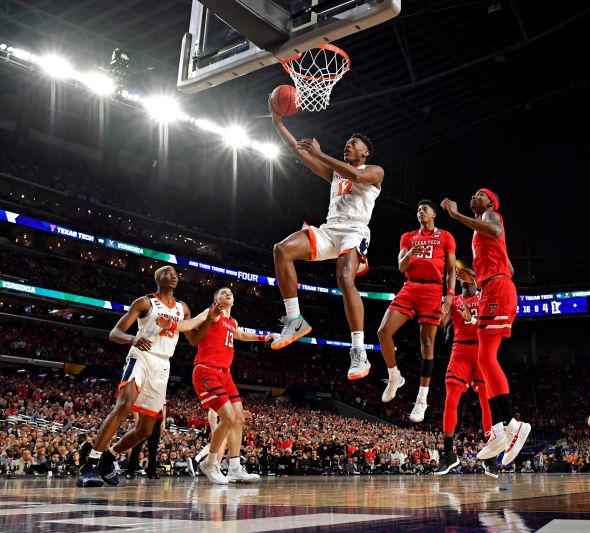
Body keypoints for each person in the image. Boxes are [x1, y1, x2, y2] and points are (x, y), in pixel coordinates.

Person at [270, 99, 384, 380]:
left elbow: (355, 174)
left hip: (355, 231)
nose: (348, 145)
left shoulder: (375, 171)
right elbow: (296, 151)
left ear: (365, 151)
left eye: (353, 143)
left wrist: (321, 154)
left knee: (345, 278)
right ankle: (295, 319)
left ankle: (359, 352)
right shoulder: (335, 173)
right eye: (347, 142)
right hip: (330, 229)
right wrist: (278, 123)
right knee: (281, 250)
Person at [76, 266, 215, 487]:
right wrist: (133, 339)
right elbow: (114, 333)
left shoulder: (183, 308)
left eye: (176, 274)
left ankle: (109, 457)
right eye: (168, 273)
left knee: (146, 429)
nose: (174, 276)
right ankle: (90, 465)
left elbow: (194, 340)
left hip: (162, 365)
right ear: (158, 278)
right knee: (123, 405)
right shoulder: (145, 303)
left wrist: (210, 318)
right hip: (141, 356)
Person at [440, 189, 531, 467]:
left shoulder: (491, 216)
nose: (473, 196)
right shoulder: (484, 230)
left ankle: (513, 426)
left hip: (497, 288)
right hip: (495, 286)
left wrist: (456, 215)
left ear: (491, 203)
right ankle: (502, 429)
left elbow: (493, 229)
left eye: (480, 194)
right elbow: (511, 268)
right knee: (485, 357)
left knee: (487, 358)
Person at [168, 287, 274, 484]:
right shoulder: (212, 313)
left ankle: (234, 468)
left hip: (225, 375)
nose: (228, 294)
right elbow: (191, 324)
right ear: (215, 299)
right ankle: (210, 463)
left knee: (238, 419)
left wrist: (263, 338)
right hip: (207, 371)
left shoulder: (232, 322)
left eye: (230, 293)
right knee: (228, 417)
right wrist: (172, 324)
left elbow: (241, 335)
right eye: (223, 292)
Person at [378, 200, 456, 422]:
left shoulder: (446, 237)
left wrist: (449, 296)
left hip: (432, 289)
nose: (420, 212)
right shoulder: (408, 236)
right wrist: (411, 252)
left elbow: (451, 269)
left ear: (434, 214)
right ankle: (394, 377)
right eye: (418, 209)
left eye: (425, 209)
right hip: (410, 286)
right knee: (383, 332)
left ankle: (422, 399)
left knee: (427, 344)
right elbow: (402, 267)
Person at [433, 267, 494, 477]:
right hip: (460, 351)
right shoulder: (455, 300)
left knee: (487, 402)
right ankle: (449, 454)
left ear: (475, 280)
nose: (462, 282)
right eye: (460, 280)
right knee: (451, 398)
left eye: (466, 278)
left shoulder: (485, 297)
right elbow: (441, 323)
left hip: (481, 350)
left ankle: (490, 455)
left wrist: (472, 319)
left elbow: (490, 325)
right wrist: (443, 307)